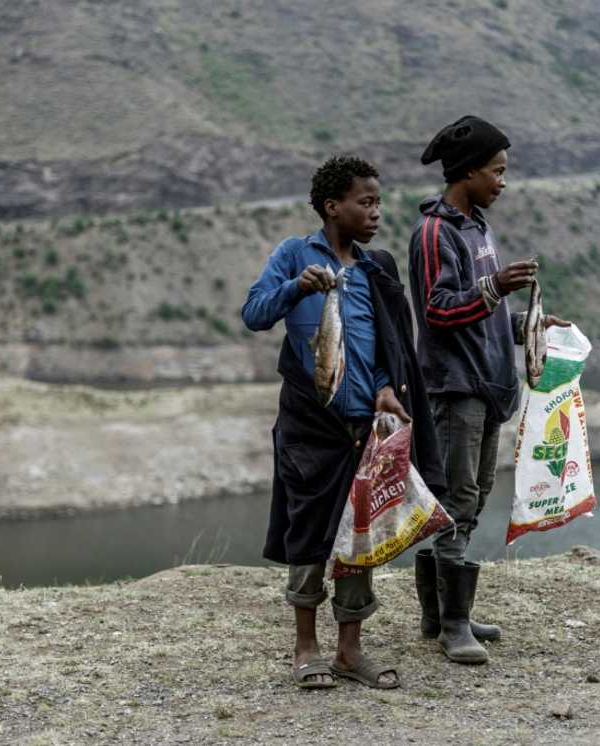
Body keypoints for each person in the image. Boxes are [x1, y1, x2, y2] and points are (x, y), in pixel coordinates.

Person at [242, 155, 445, 690]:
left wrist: (383, 387)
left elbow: (385, 344)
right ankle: (306, 648)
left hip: (364, 429)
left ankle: (349, 652)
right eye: (366, 202)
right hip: (310, 426)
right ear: (333, 207)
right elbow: (254, 313)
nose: (376, 213)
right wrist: (296, 289)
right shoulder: (293, 254)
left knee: (359, 537)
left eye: (378, 202)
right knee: (308, 534)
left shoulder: (374, 269)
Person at [407, 115, 570, 665]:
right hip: (455, 388)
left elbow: (480, 311)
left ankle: (440, 614)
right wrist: (495, 286)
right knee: (457, 499)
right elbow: (438, 310)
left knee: (472, 496)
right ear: (468, 172)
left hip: (486, 382)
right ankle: (453, 624)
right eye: (496, 171)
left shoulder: (476, 227)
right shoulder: (435, 233)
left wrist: (528, 320)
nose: (503, 181)